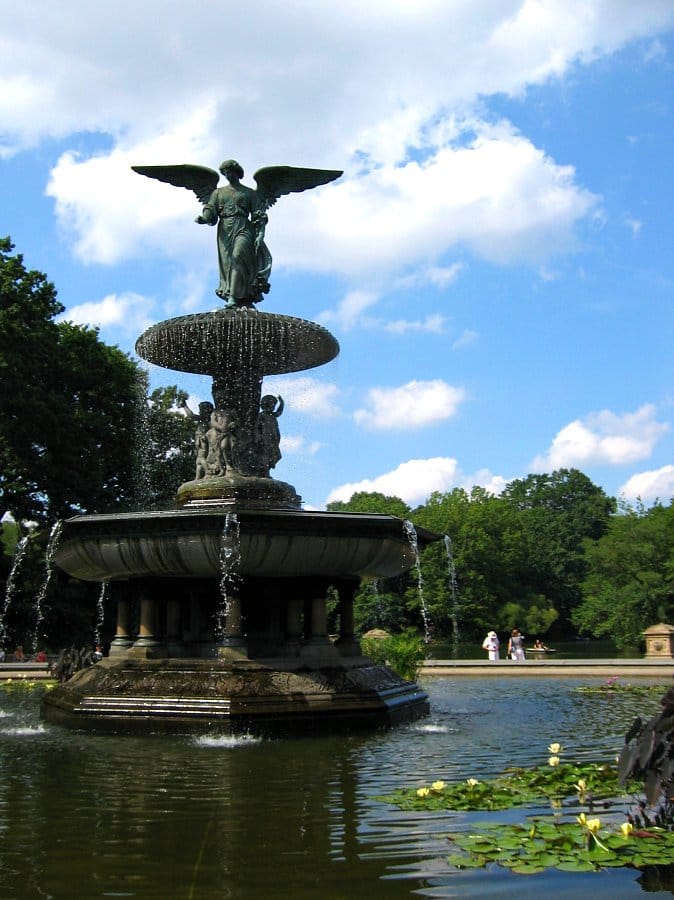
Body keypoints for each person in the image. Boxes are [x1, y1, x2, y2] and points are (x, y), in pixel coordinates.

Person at [196, 160, 272, 306]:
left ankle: (233, 296)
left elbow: (258, 214)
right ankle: (239, 295)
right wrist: (204, 218)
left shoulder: (249, 193)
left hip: (243, 227)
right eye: (224, 173)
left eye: (229, 172)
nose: (227, 175)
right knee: (228, 263)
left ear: (236, 172)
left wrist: (261, 233)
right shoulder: (218, 193)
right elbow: (211, 208)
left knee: (238, 256)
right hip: (224, 229)